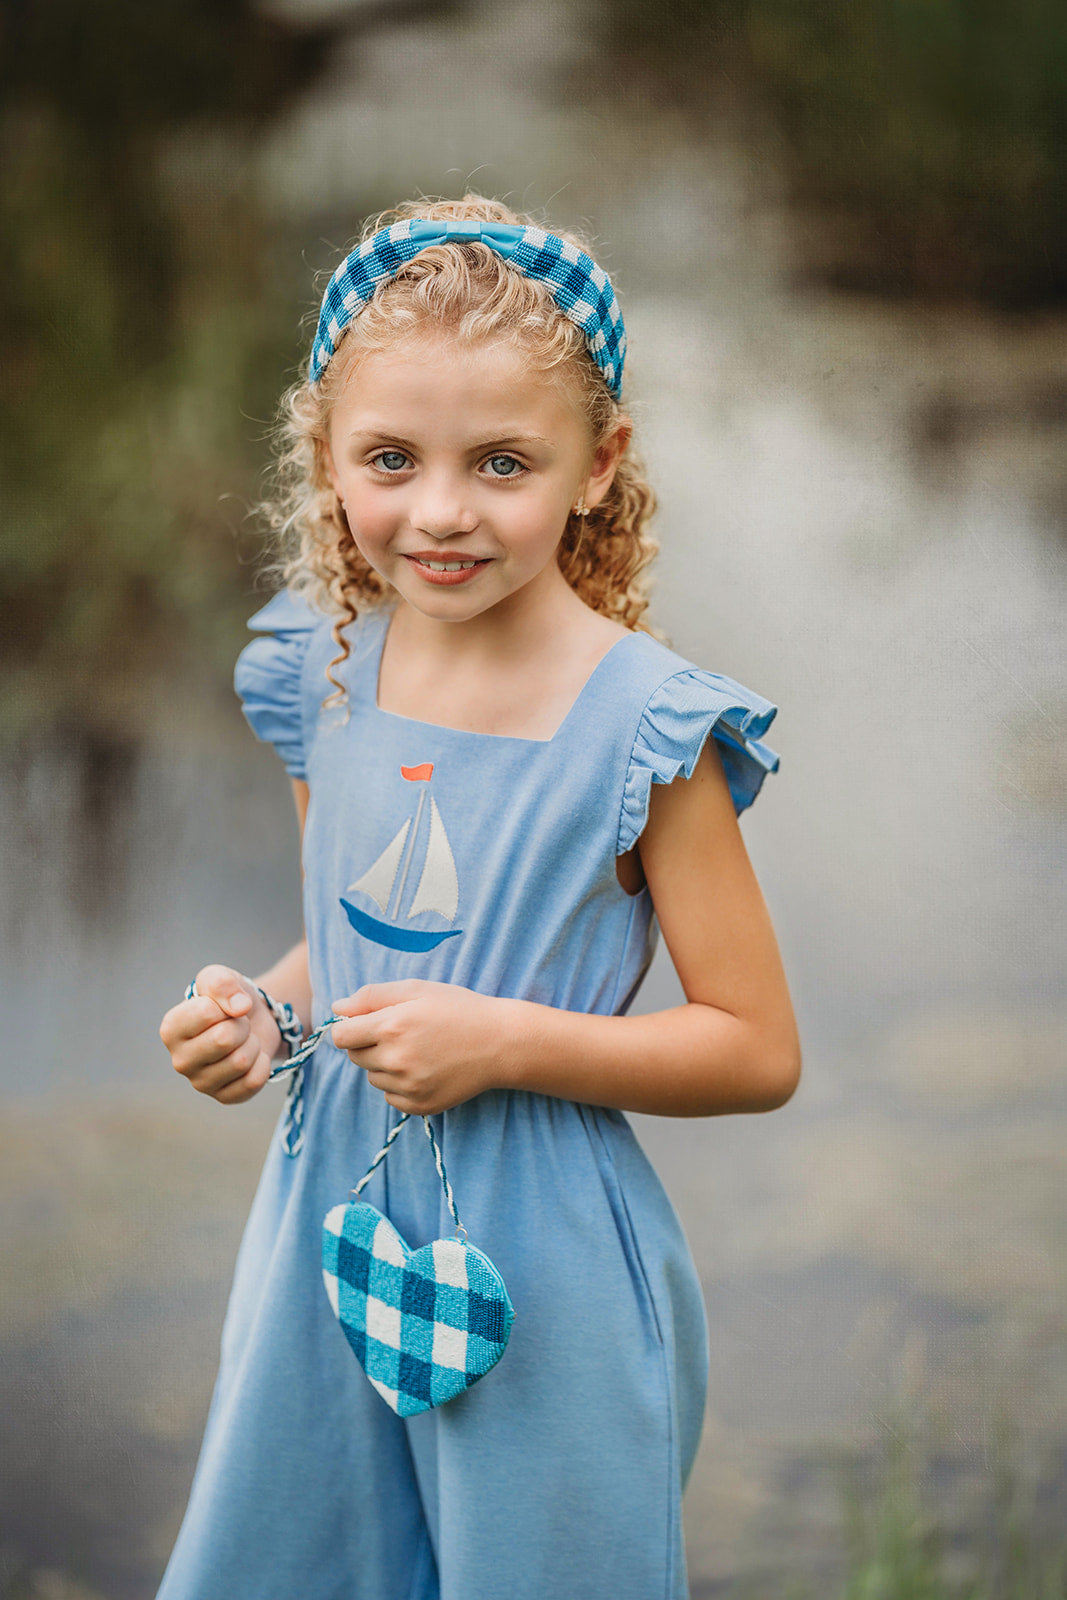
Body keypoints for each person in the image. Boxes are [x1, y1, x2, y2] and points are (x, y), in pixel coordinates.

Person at [157, 194, 800, 1600]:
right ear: (325, 456)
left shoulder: (650, 732)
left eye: (502, 461)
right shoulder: (319, 671)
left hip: (542, 1252)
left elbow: (756, 1048)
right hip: (328, 1220)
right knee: (294, 1561)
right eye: (391, 457)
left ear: (598, 464)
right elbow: (353, 945)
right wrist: (267, 1013)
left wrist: (501, 1041)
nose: (440, 511)